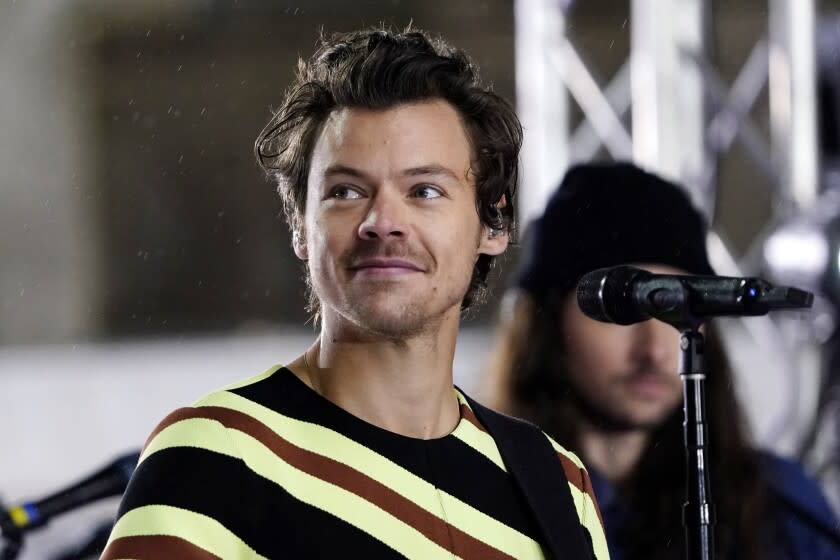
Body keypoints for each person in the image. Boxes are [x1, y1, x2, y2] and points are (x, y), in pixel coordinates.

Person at [100, 27, 608, 560]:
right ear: (299, 225)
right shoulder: (215, 459)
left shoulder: (556, 482)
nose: (383, 221)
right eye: (346, 192)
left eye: (425, 191)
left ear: (493, 223)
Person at [482, 162, 840, 560]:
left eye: (678, 307)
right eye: (623, 309)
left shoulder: (780, 505)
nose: (654, 349)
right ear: (547, 323)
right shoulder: (482, 499)